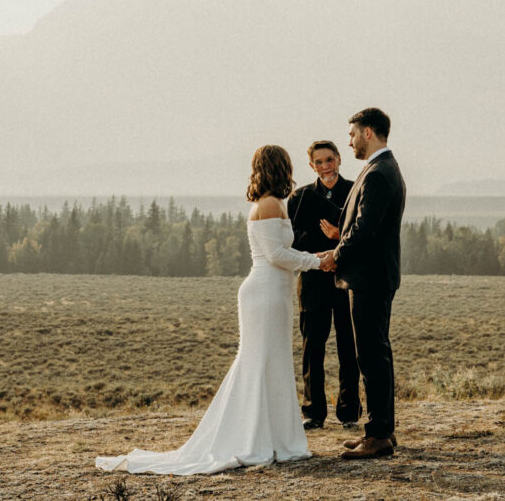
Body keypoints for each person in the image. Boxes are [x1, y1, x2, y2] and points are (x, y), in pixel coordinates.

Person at [95, 145, 334, 475]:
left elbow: (283, 253)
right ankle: (253, 439)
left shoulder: (274, 203)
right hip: (263, 293)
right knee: (259, 362)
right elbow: (277, 255)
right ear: (281, 167)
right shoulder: (268, 204)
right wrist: (317, 262)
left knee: (273, 363)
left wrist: (315, 257)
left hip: (274, 294)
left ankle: (276, 438)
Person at [317, 107, 406, 460]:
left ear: (368, 133)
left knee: (371, 355)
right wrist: (337, 248)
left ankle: (379, 435)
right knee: (374, 353)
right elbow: (359, 230)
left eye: (352, 134)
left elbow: (363, 230)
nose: (349, 141)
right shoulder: (381, 169)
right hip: (373, 275)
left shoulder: (379, 173)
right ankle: (380, 430)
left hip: (370, 277)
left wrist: (336, 255)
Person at [287, 141, 361, 431]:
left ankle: (349, 412)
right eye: (319, 162)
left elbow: (363, 233)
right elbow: (291, 239)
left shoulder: (356, 191)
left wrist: (337, 238)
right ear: (311, 166)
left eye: (330, 159)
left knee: (349, 346)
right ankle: (313, 412)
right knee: (312, 347)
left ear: (340, 159)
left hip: (347, 281)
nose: (325, 166)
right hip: (313, 282)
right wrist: (323, 255)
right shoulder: (300, 197)